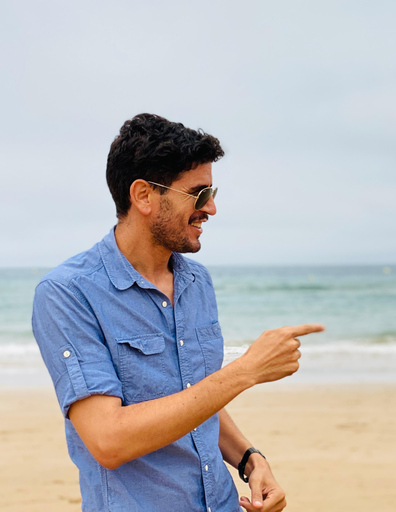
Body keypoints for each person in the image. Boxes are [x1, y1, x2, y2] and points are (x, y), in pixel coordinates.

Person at [31, 113, 324, 512]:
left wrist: (249, 459)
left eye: (213, 191)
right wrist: (246, 371)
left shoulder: (195, 281)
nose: (212, 208)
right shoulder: (67, 293)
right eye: (198, 193)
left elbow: (192, 394)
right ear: (144, 196)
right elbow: (108, 441)